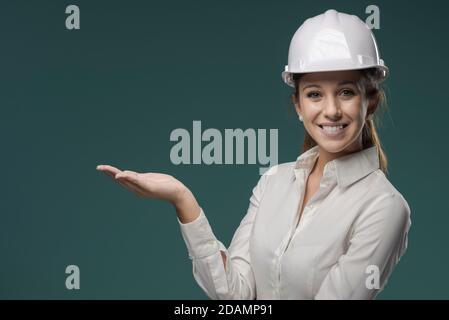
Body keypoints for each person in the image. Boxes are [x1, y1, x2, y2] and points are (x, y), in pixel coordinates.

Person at [96, 9, 411, 300]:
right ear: (299, 106)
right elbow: (235, 294)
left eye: (346, 92)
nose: (330, 110)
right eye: (315, 94)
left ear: (370, 102)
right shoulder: (274, 180)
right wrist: (183, 199)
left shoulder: (384, 207)